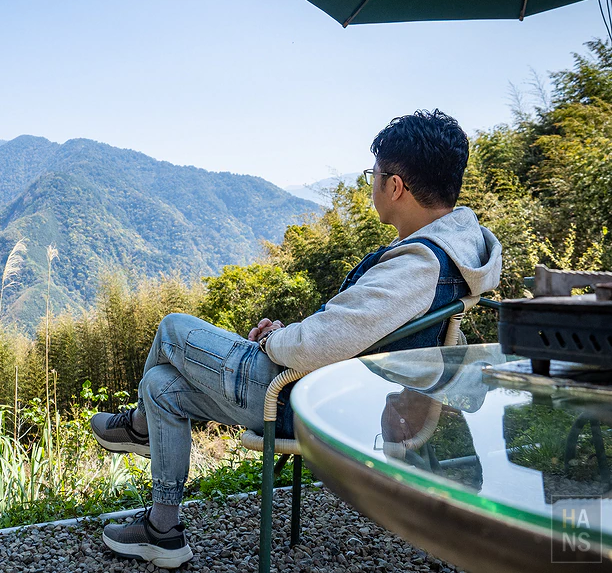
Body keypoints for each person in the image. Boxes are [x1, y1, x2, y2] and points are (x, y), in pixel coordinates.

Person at [90, 109, 502, 569]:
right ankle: (162, 531)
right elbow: (348, 330)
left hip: (299, 399)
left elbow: (318, 345)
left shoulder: (419, 267)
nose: (371, 184)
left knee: (172, 328)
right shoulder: (456, 250)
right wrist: (290, 335)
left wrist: (275, 341)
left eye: (374, 175)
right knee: (159, 386)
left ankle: (139, 428)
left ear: (395, 186)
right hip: (322, 385)